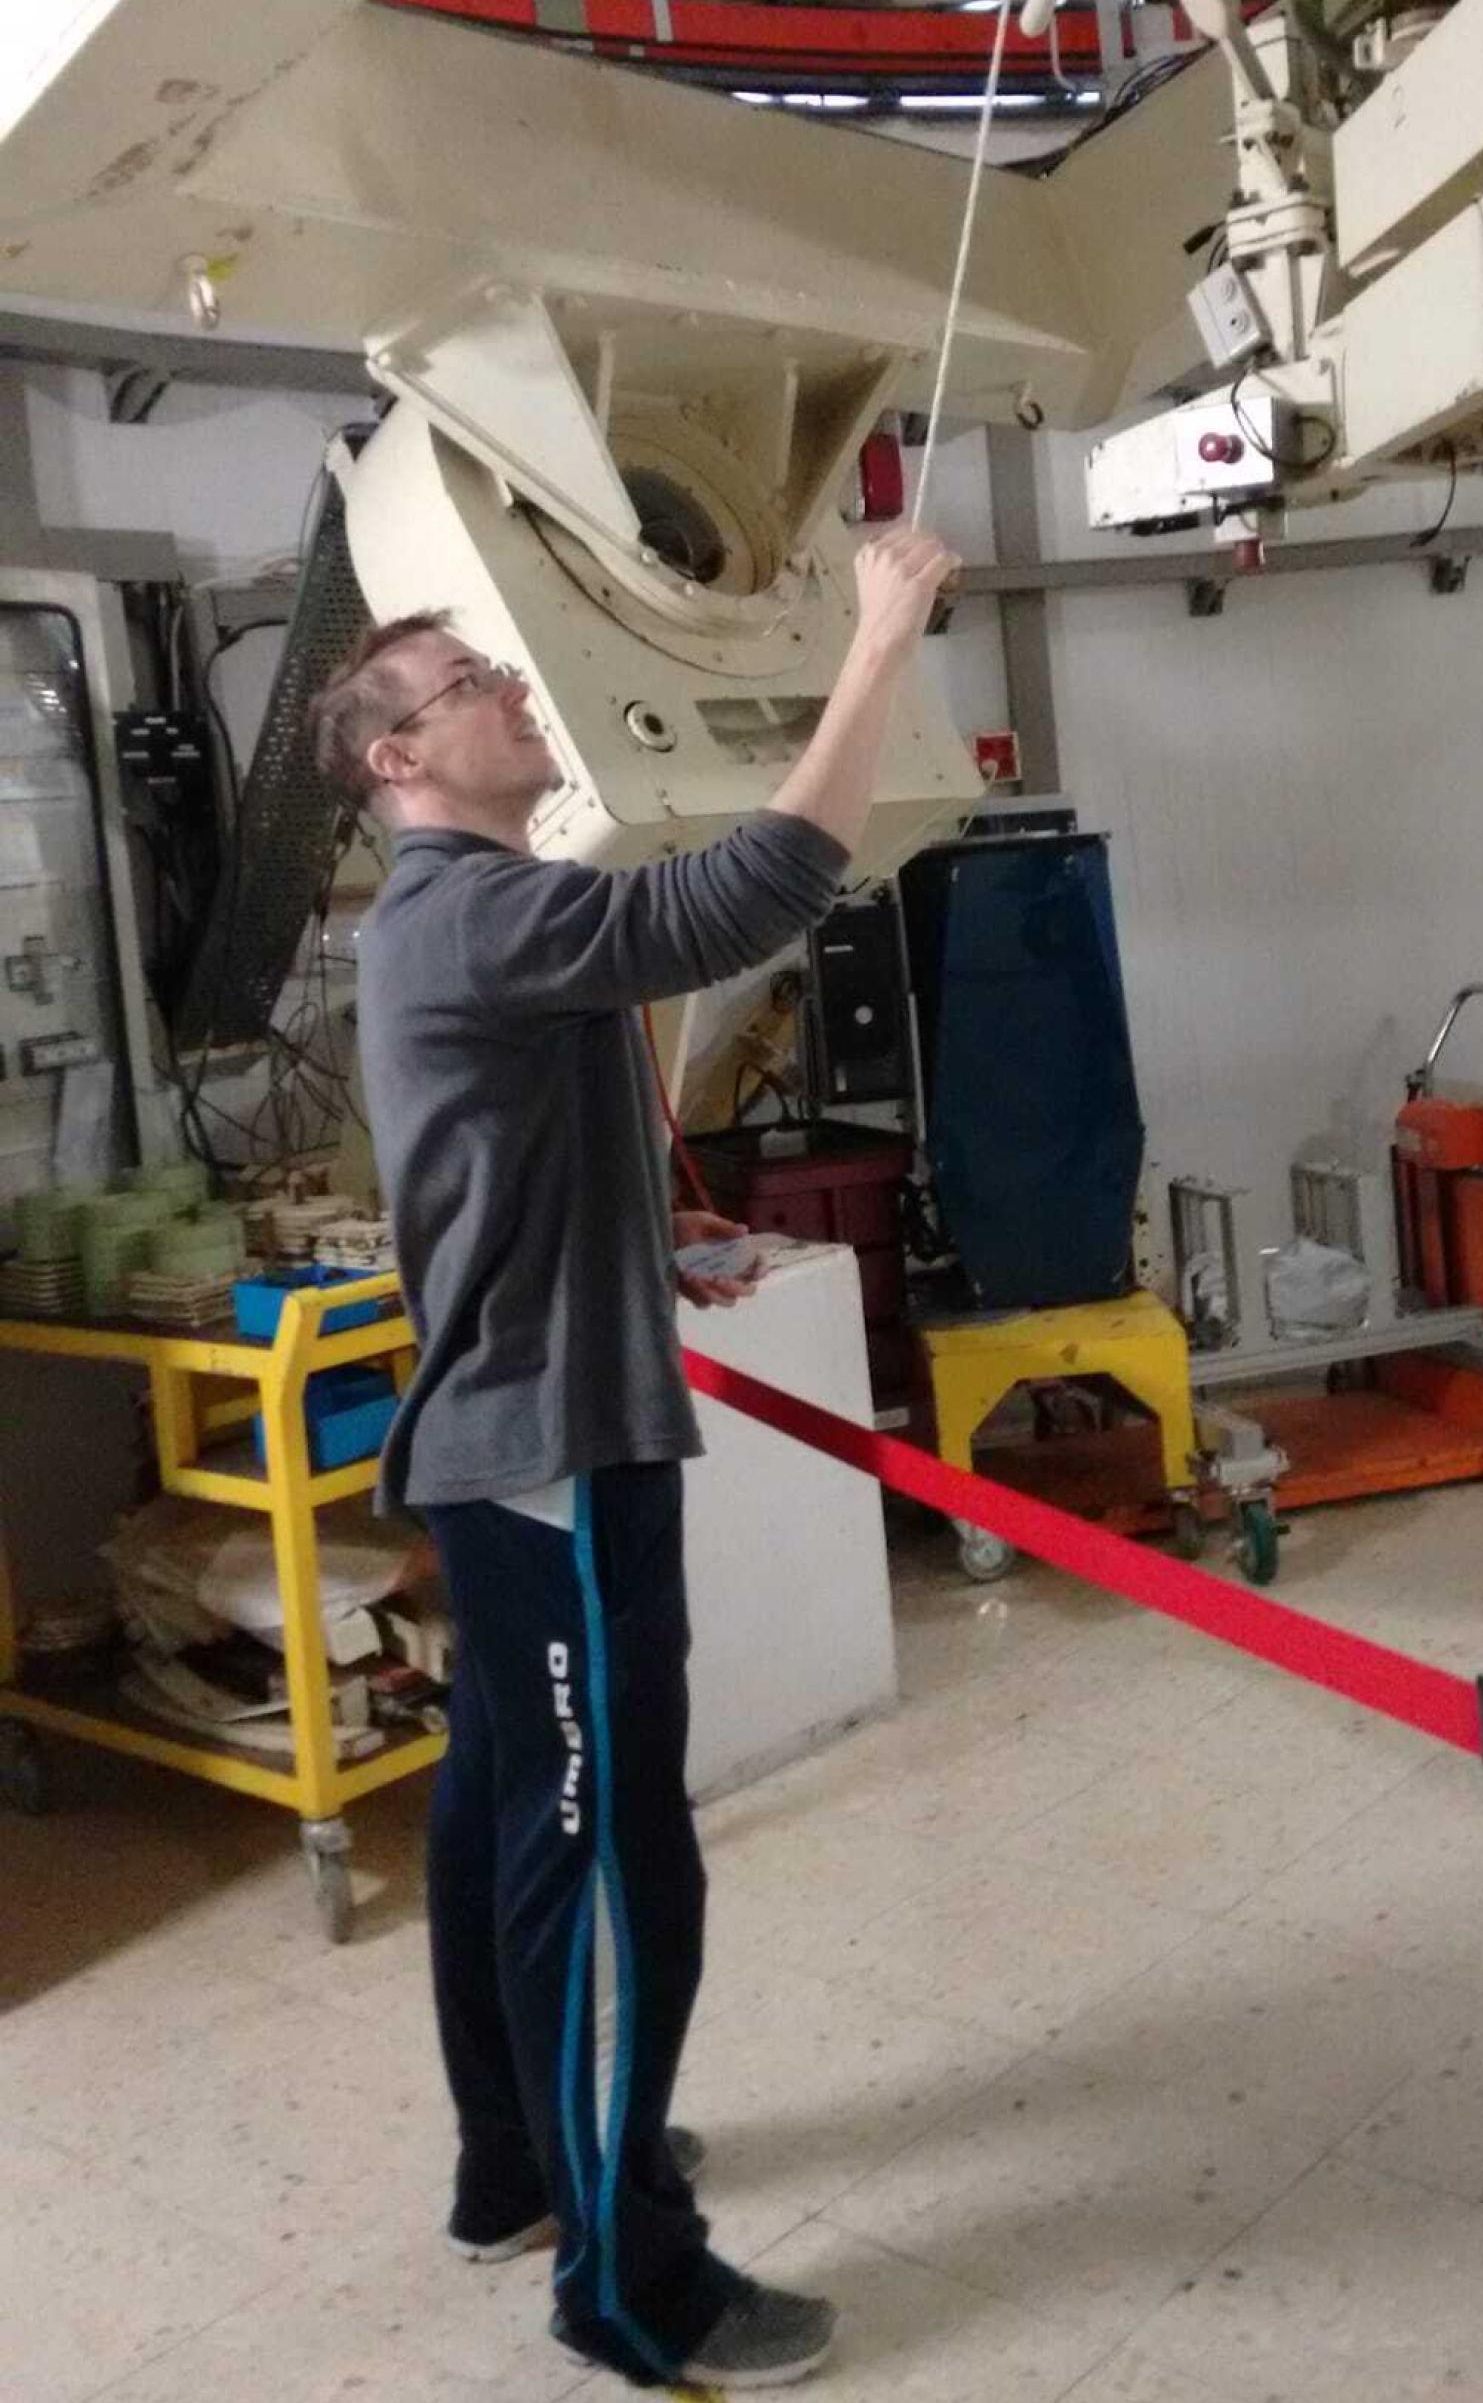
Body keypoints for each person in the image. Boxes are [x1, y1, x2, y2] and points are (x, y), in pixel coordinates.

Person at [309, 522, 958, 2392]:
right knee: (608, 1861)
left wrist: (643, 1242)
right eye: (474, 685)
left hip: (509, 1434)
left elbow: (500, 1170)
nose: (513, 693)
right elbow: (741, 896)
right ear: (397, 760)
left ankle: (517, 2167)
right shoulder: (482, 910)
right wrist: (878, 641)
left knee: (506, 1815)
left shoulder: (466, 925)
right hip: (556, 1457)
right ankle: (629, 2282)